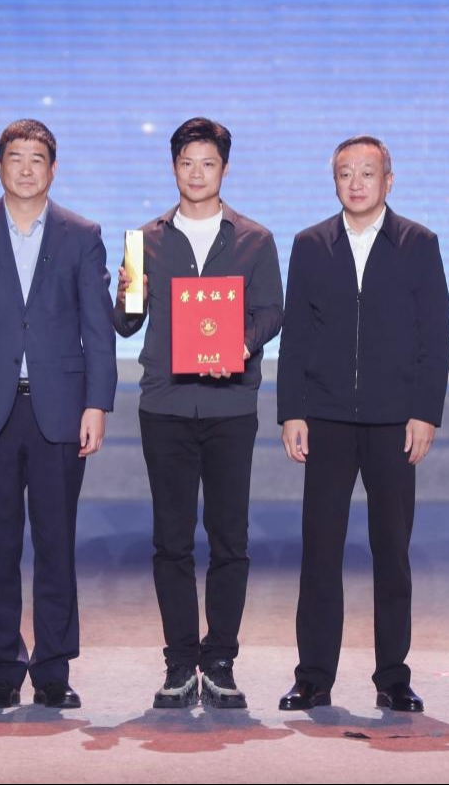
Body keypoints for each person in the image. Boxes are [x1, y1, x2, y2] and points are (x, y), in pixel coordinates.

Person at [0, 119, 117, 709]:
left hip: (60, 408)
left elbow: (98, 328)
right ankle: (0, 672)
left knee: (57, 544)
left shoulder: (81, 235)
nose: (27, 168)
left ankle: (54, 671)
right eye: (16, 157)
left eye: (38, 158)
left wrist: (98, 402)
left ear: (53, 169)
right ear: (0, 166)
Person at [276, 135, 449, 713]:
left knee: (391, 552)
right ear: (335, 181)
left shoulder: (418, 244)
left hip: (394, 421)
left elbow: (435, 336)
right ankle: (313, 676)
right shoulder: (310, 244)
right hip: (326, 419)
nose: (356, 183)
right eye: (345, 173)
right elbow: (296, 336)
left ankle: (393, 677)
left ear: (388, 181)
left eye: (367, 173)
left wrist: (425, 412)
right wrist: (292, 410)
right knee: (320, 552)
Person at [114, 117, 283, 709]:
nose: (196, 173)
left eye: (208, 163)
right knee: (171, 540)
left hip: (231, 406)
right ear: (173, 167)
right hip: (165, 405)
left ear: (224, 169)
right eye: (187, 163)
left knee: (230, 539)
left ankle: (221, 661)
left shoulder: (255, 239)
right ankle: (180, 662)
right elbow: (126, 323)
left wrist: (241, 343)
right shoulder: (143, 240)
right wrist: (125, 291)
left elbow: (272, 311)